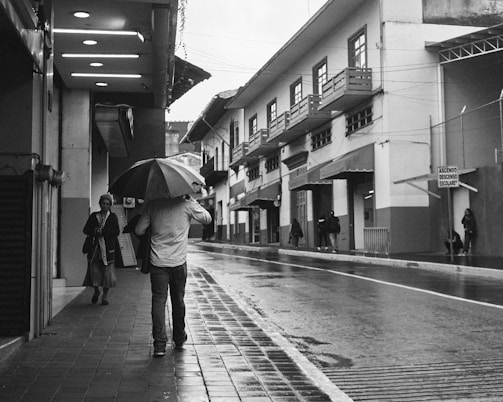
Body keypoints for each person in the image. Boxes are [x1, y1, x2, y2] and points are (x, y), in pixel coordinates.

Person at [135, 194, 212, 356]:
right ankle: (178, 337)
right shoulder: (186, 204)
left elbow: (139, 230)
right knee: (178, 301)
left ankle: (159, 344)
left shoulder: (152, 204)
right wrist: (193, 202)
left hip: (157, 262)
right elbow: (207, 219)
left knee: (158, 302)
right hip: (178, 262)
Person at [82, 194, 120, 306]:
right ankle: (96, 291)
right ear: (100, 204)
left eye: (107, 204)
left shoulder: (113, 217)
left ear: (110, 206)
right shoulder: (94, 216)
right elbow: (86, 230)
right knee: (94, 272)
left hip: (108, 250)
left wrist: (103, 232)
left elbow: (116, 231)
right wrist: (95, 231)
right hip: (95, 249)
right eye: (103, 203)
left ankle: (105, 296)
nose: (105, 206)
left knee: (107, 273)